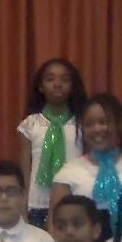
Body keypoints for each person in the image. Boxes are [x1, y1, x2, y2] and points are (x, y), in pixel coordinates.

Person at [50, 92, 122, 233]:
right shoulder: (67, 176)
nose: (97, 129)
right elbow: (56, 229)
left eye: (103, 122)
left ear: (121, 124)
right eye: (89, 124)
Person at [17, 57, 87, 228]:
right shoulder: (30, 124)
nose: (57, 84)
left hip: (74, 200)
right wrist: (22, 208)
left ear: (73, 86)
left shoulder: (82, 123)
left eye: (64, 79)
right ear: (40, 87)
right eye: (50, 79)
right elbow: (25, 169)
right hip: (37, 203)